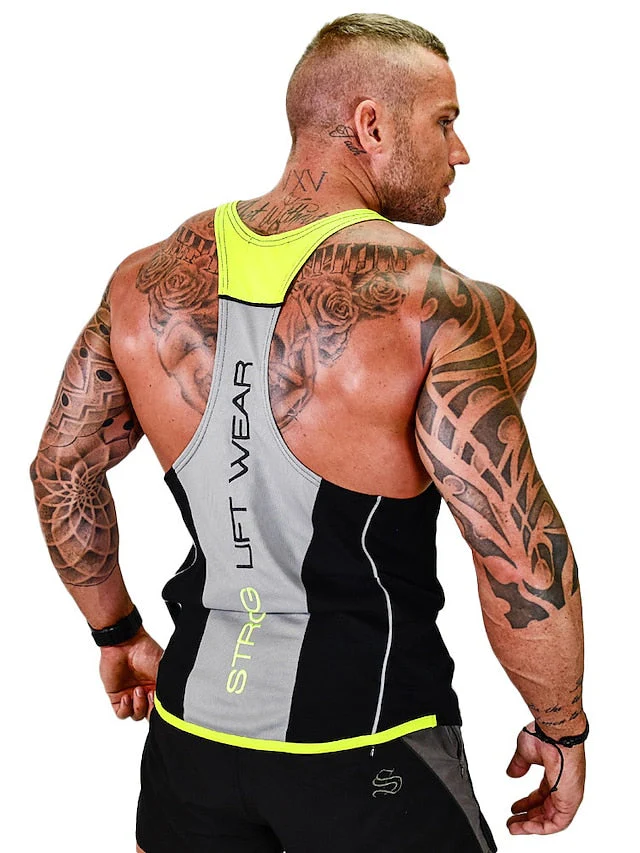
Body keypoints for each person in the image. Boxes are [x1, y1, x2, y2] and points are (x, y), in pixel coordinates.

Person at [30, 12, 587, 853]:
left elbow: (61, 467)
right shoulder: (437, 308)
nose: (460, 150)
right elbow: (514, 546)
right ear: (371, 123)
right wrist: (561, 724)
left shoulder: (145, 282)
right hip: (372, 748)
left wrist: (116, 632)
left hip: (192, 745)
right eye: (444, 121)